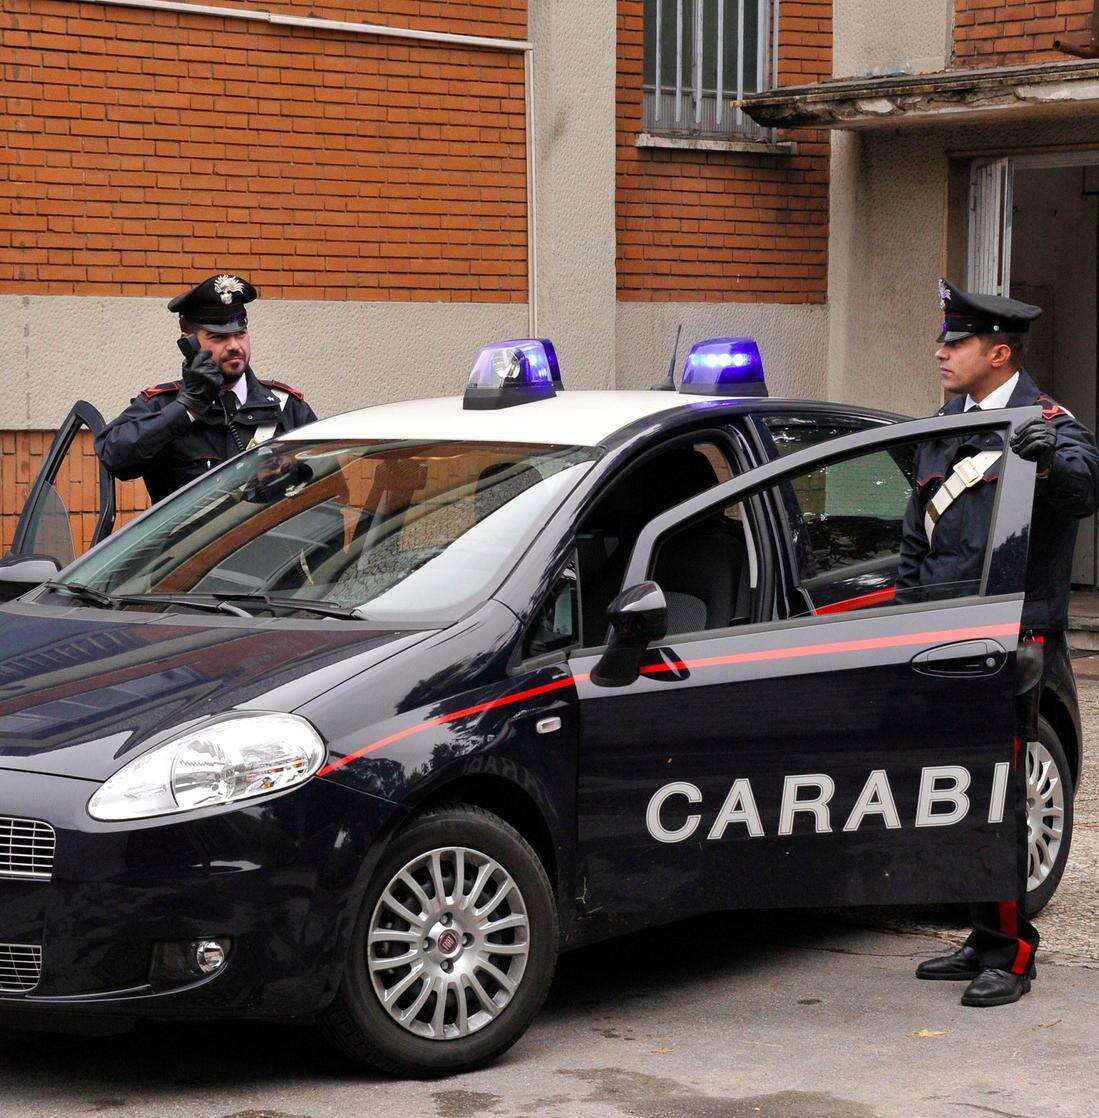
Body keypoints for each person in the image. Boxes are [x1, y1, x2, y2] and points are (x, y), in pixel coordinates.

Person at [899, 279, 1099, 1007]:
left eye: (954, 344)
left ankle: (1013, 951)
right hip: (942, 640)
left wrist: (1044, 458)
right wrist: (907, 615)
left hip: (1011, 642)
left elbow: (1082, 488)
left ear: (998, 351)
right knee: (953, 794)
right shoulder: (945, 422)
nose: (940, 352)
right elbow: (915, 536)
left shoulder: (1047, 423)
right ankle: (981, 935)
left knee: (1002, 798)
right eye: (942, 340)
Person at [95, 274, 318, 503]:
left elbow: (330, 492)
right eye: (218, 337)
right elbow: (114, 456)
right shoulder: (162, 405)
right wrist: (187, 409)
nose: (234, 346)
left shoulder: (287, 407)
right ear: (188, 343)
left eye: (240, 333)